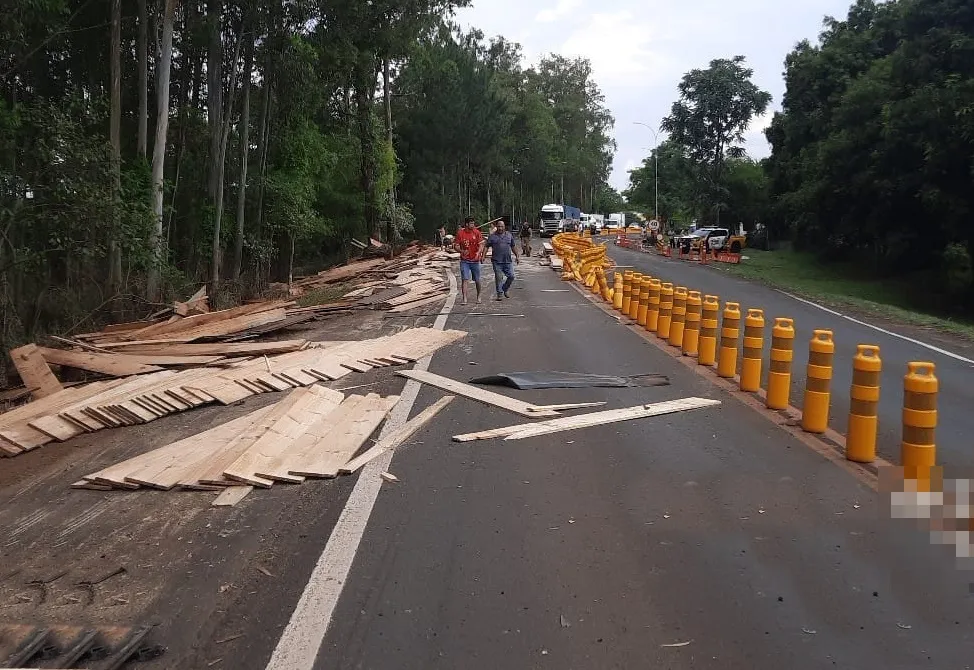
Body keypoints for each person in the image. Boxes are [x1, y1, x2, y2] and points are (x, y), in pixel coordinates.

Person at [485, 220, 519, 300]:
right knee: (499, 277)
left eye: (502, 226)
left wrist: (517, 256)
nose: (500, 228)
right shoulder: (492, 236)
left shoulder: (509, 235)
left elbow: (513, 246)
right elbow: (486, 246)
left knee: (511, 276)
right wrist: (483, 256)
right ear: (496, 227)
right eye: (499, 226)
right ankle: (499, 293)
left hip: (507, 261)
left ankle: (505, 288)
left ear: (504, 227)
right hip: (496, 261)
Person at [454, 216, 484, 305]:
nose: (473, 225)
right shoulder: (460, 233)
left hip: (475, 260)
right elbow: (456, 246)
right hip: (465, 260)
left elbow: (481, 245)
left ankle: (479, 296)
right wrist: (461, 251)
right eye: (471, 223)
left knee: (477, 280)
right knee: (465, 279)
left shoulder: (477, 232)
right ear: (466, 224)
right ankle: (464, 298)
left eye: (473, 223)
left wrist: (478, 253)